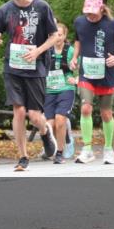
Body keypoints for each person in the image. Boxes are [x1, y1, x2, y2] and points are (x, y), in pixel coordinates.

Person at [0, 0, 59, 171]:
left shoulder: (42, 7)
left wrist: (38, 51)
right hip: (13, 67)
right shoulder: (4, 10)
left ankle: (45, 131)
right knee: (18, 111)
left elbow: (54, 36)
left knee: (35, 115)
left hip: (36, 67)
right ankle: (22, 156)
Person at [72, 0, 114, 165]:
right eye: (87, 13)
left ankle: (108, 149)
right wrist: (74, 57)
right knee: (86, 109)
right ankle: (87, 149)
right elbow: (77, 41)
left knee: (105, 113)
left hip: (106, 74)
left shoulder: (112, 24)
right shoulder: (79, 22)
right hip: (87, 73)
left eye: (93, 13)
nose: (90, 16)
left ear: (102, 9)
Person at [43, 23, 77, 164]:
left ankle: (59, 152)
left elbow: (80, 68)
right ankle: (55, 145)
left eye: (60, 34)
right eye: (55, 34)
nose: (58, 37)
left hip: (66, 89)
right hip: (49, 90)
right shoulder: (46, 50)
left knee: (60, 119)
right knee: (49, 125)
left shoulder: (70, 51)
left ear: (64, 36)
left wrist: (75, 78)